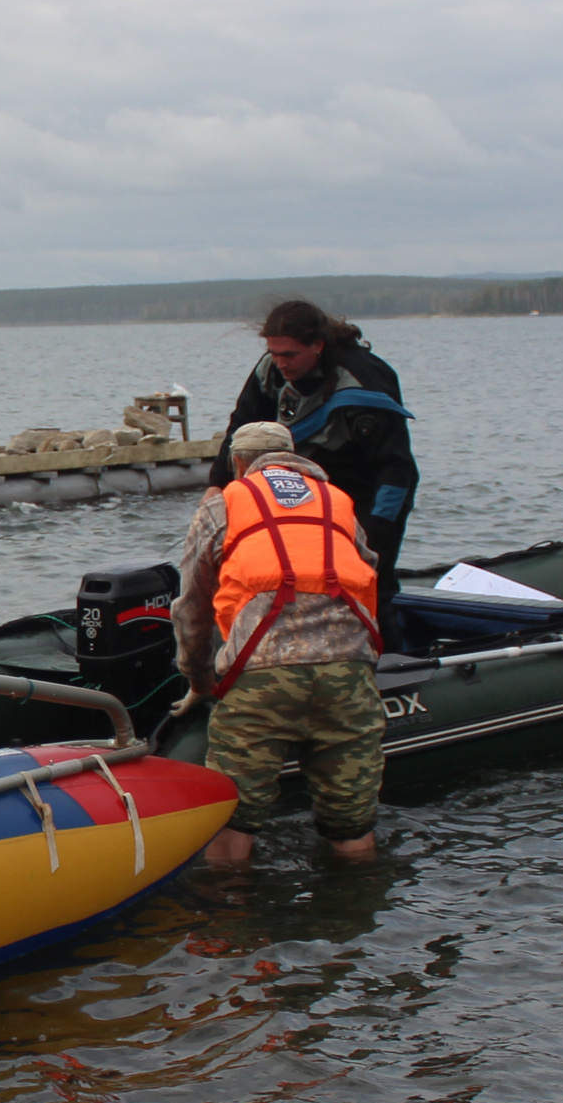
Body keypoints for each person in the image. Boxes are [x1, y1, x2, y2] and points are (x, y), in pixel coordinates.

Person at [171, 420, 384, 865]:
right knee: (352, 824)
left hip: (263, 671)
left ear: (238, 464)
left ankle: (230, 918)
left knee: (234, 818)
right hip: (348, 667)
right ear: (295, 457)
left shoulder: (224, 505)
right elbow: (366, 573)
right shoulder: (337, 502)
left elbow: (192, 608)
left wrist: (198, 679)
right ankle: (357, 917)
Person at [207, 301, 417, 650]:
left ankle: (392, 665)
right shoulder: (270, 372)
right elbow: (241, 430)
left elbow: (398, 470)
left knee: (372, 584)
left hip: (365, 492)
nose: (281, 363)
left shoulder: (364, 381)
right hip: (306, 493)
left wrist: (377, 532)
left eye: (290, 354)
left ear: (317, 346)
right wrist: (218, 483)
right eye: (274, 353)